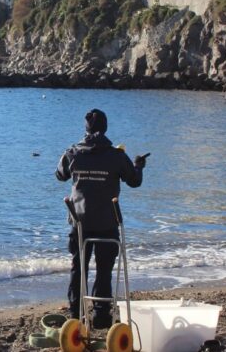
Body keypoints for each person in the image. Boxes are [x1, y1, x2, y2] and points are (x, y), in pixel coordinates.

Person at [55, 109, 146, 329]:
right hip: (107, 222)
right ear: (105, 128)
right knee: (104, 270)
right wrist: (138, 166)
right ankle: (102, 316)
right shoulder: (116, 156)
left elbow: (60, 175)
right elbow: (134, 181)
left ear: (86, 129)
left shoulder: (74, 152)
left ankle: (76, 315)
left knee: (79, 267)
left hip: (80, 222)